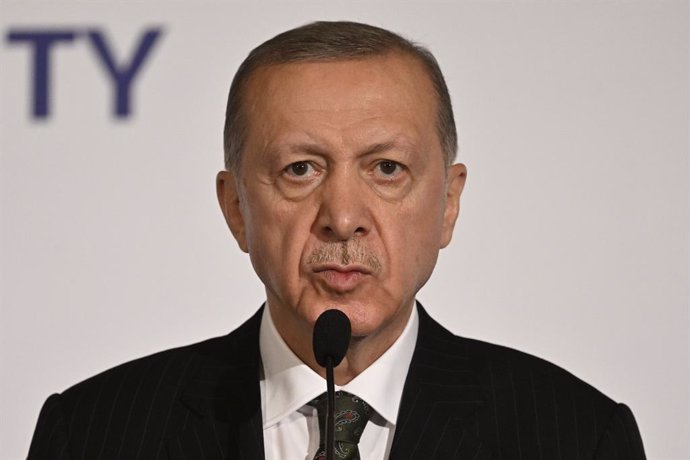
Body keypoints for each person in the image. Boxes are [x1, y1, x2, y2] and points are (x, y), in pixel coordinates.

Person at [28, 21, 646, 459]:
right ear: (236, 208)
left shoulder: (575, 436)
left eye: (386, 169)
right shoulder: (92, 434)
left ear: (448, 204)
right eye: (301, 169)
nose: (343, 217)